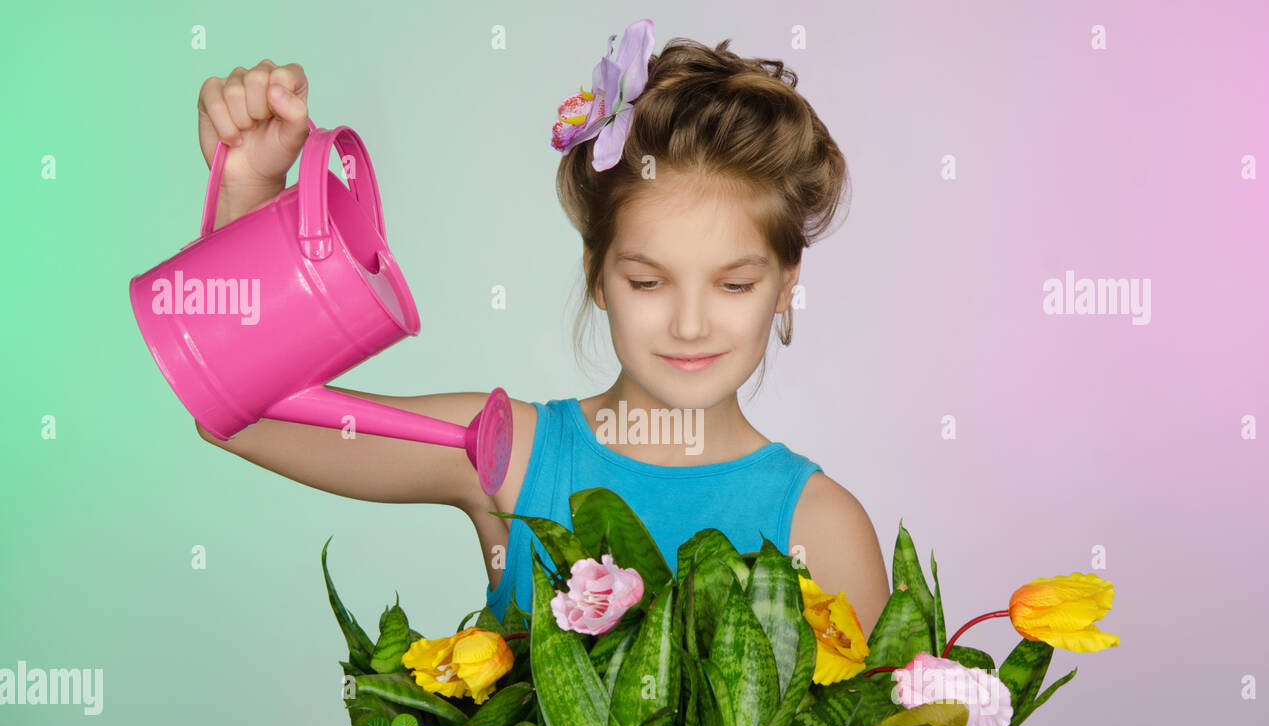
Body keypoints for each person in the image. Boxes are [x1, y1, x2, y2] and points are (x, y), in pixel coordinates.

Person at [192, 22, 890, 635]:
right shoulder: (507, 453)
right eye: (646, 281)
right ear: (596, 273)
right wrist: (248, 193)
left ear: (785, 285)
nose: (689, 322)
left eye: (734, 284)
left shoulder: (824, 528)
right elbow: (237, 415)